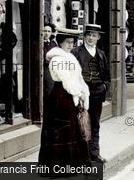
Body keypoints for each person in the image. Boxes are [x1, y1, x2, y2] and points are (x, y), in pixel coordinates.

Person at [38, 29, 91, 169]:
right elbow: (66, 80)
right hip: (61, 97)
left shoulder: (70, 57)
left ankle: (72, 164)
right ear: (60, 43)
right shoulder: (57, 59)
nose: (70, 45)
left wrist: (83, 92)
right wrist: (79, 93)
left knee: (71, 130)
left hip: (70, 96)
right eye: (67, 42)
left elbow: (78, 78)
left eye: (72, 43)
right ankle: (58, 166)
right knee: (61, 131)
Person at [71, 24, 110, 164]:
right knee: (81, 123)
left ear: (98, 37)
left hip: (97, 92)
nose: (91, 38)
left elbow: (106, 73)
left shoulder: (101, 53)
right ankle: (81, 155)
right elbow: (72, 74)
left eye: (94, 35)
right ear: (84, 36)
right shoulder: (76, 52)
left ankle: (94, 153)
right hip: (82, 92)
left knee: (95, 123)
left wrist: (104, 86)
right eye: (88, 35)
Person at [42, 24, 58, 100]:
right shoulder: (40, 43)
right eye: (45, 31)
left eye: (49, 31)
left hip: (52, 69)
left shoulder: (53, 44)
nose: (47, 33)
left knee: (51, 89)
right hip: (43, 68)